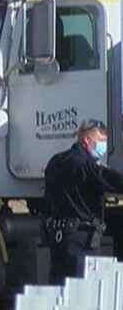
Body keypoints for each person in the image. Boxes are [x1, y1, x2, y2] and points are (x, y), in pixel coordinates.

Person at [43, 119, 123, 284]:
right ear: (87, 140)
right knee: (82, 291)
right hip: (82, 239)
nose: (104, 146)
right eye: (101, 141)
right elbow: (109, 179)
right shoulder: (85, 166)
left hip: (58, 238)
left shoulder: (55, 162)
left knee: (57, 290)